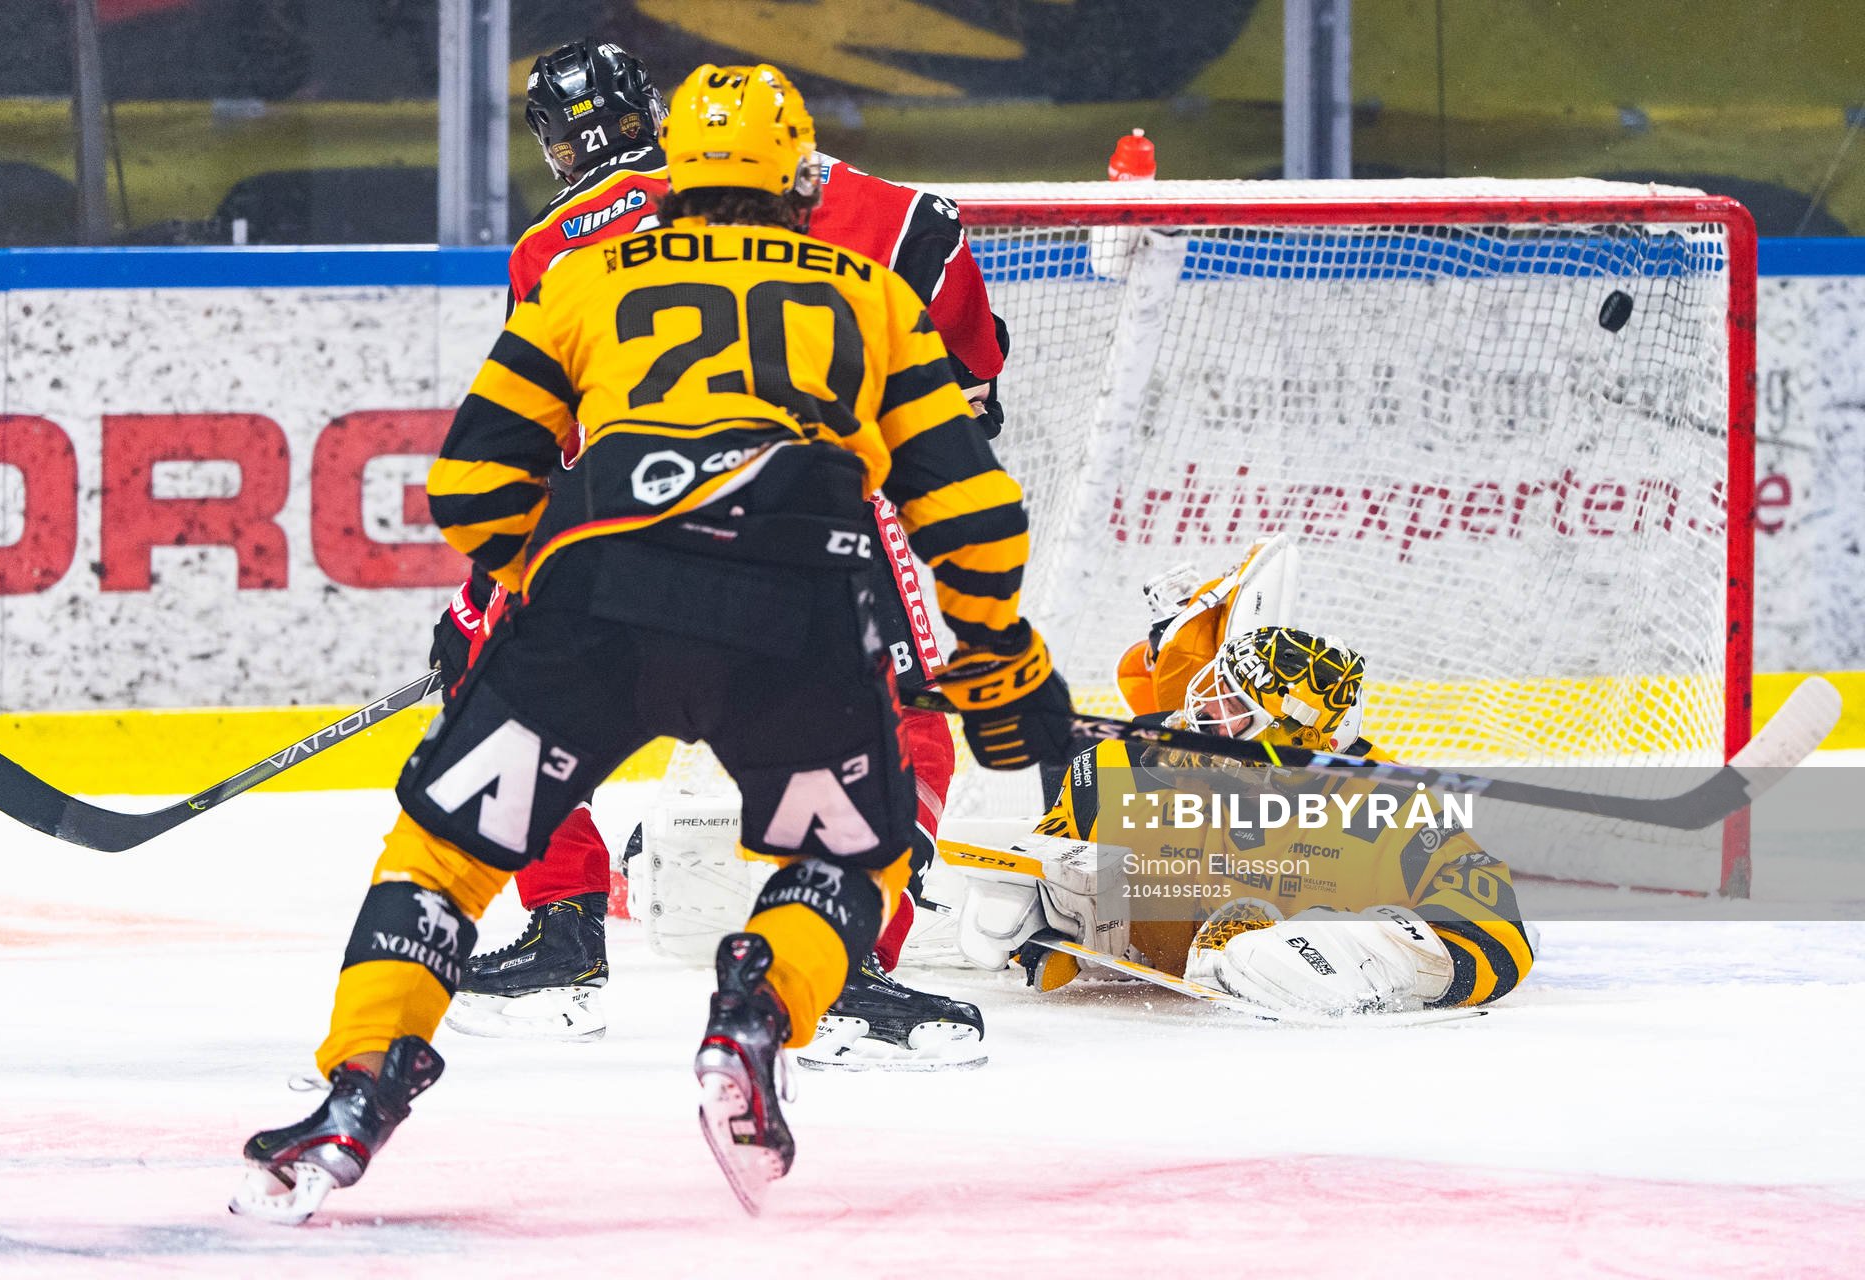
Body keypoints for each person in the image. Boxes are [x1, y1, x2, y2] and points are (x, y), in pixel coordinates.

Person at [232, 62, 1071, 1223]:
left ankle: (362, 1080)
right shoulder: (870, 285)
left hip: (604, 595)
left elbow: (473, 485)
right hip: (799, 601)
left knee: (438, 856)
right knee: (852, 857)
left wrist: (530, 580)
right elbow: (974, 510)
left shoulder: (574, 272)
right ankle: (761, 1009)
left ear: (671, 165)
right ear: (797, 171)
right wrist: (1007, 665)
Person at [432, 38, 1010, 1065]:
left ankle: (564, 938)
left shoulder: (550, 252)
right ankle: (842, 966)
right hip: (801, 515)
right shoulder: (780, 188)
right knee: (895, 709)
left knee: (512, 690)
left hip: (635, 523)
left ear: (556, 144)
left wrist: (482, 603)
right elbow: (932, 228)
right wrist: (971, 366)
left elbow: (529, 449)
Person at [947, 533, 1534, 1016]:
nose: (1199, 716)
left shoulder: (1395, 807)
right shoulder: (1116, 768)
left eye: (1230, 709)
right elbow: (1054, 858)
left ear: (1295, 735)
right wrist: (1030, 915)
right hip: (1126, 1066)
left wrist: (1376, 959)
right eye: (1209, 695)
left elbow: (1501, 938)